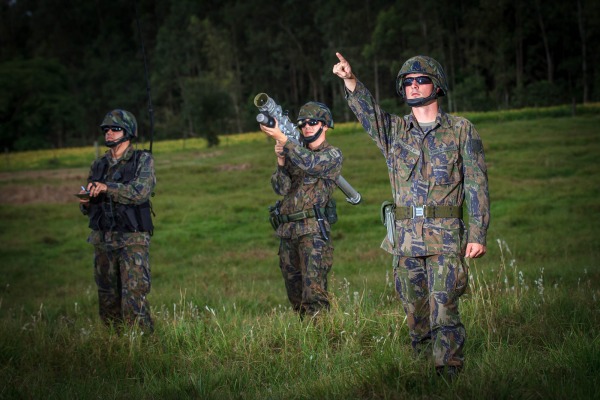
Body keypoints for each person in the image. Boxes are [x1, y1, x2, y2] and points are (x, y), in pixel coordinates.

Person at [333, 52, 490, 377]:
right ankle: (420, 375)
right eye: (408, 82)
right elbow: (367, 113)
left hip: (446, 239)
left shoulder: (461, 130)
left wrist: (477, 233)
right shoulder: (394, 131)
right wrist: (350, 79)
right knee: (415, 315)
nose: (414, 86)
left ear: (437, 85)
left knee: (444, 311)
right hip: (404, 243)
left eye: (421, 80)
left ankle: (449, 376)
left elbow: (476, 183)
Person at [260, 102, 343, 317]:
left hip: (313, 234)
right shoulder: (294, 152)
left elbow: (312, 164)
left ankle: (323, 343)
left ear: (325, 126)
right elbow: (281, 188)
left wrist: (285, 141)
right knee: (295, 298)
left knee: (314, 297)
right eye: (303, 123)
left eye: (313, 123)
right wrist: (280, 159)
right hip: (288, 233)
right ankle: (307, 343)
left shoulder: (332, 155)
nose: (307, 127)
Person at [78, 109, 156, 333]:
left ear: (128, 132)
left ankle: (141, 347)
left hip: (132, 240)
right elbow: (87, 202)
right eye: (106, 130)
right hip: (103, 240)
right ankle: (114, 345)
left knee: (134, 297)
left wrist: (107, 188)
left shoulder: (142, 160)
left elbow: (140, 192)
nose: (109, 133)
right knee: (107, 299)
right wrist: (86, 201)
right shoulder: (99, 165)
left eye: (115, 129)